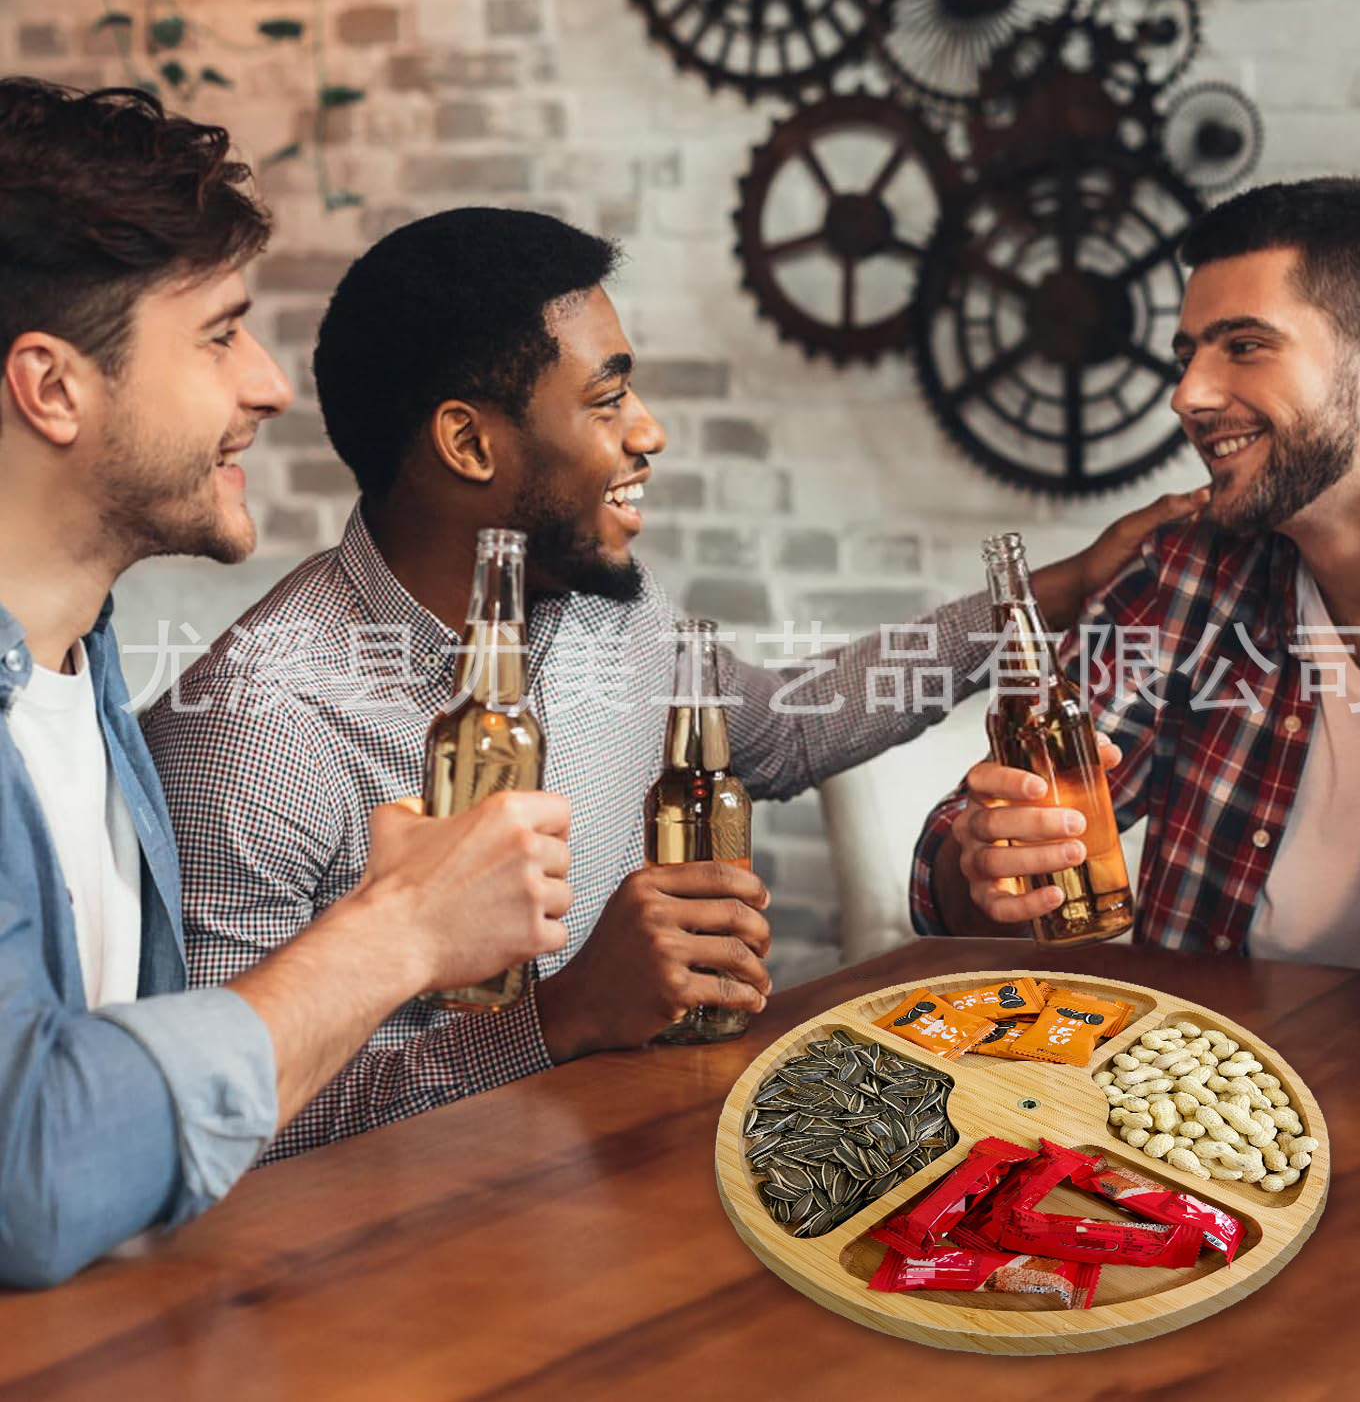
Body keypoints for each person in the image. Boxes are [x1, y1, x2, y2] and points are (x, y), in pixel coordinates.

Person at [143, 204, 1204, 1161]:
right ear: (468, 441)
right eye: (607, 399)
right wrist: (559, 1019)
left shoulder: (607, 607)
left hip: (627, 1177)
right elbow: (220, 1128)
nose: (648, 431)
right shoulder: (254, 729)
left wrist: (1053, 593)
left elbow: (785, 729)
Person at [0, 80, 576, 1289]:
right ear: (52, 388)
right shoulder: (237, 709)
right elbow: (34, 1171)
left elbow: (164, 1157)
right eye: (219, 335)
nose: (266, 384)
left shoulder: (85, 680)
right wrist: (400, 931)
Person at [912, 176, 1360, 981]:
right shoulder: (1187, 569)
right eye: (1187, 356)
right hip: (1202, 1059)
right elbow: (965, 866)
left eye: (1245, 346)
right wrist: (984, 868)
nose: (1187, 396)